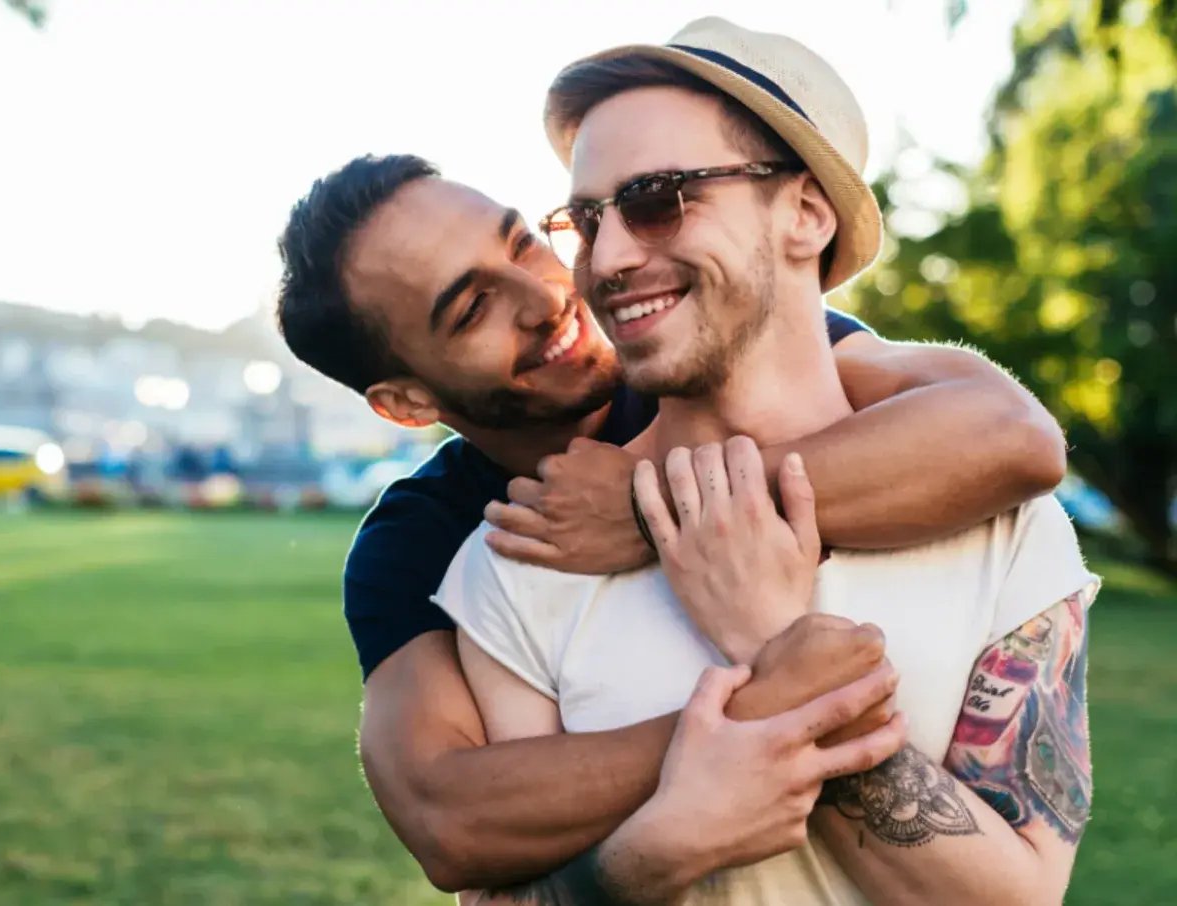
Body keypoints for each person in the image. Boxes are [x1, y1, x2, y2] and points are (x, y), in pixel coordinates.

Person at [275, 51, 1066, 904]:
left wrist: (651, 512)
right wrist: (753, 714)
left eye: (527, 243)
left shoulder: (720, 337)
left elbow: (1009, 438)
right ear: (405, 402)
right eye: (470, 310)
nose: (547, 296)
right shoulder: (438, 542)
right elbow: (448, 817)